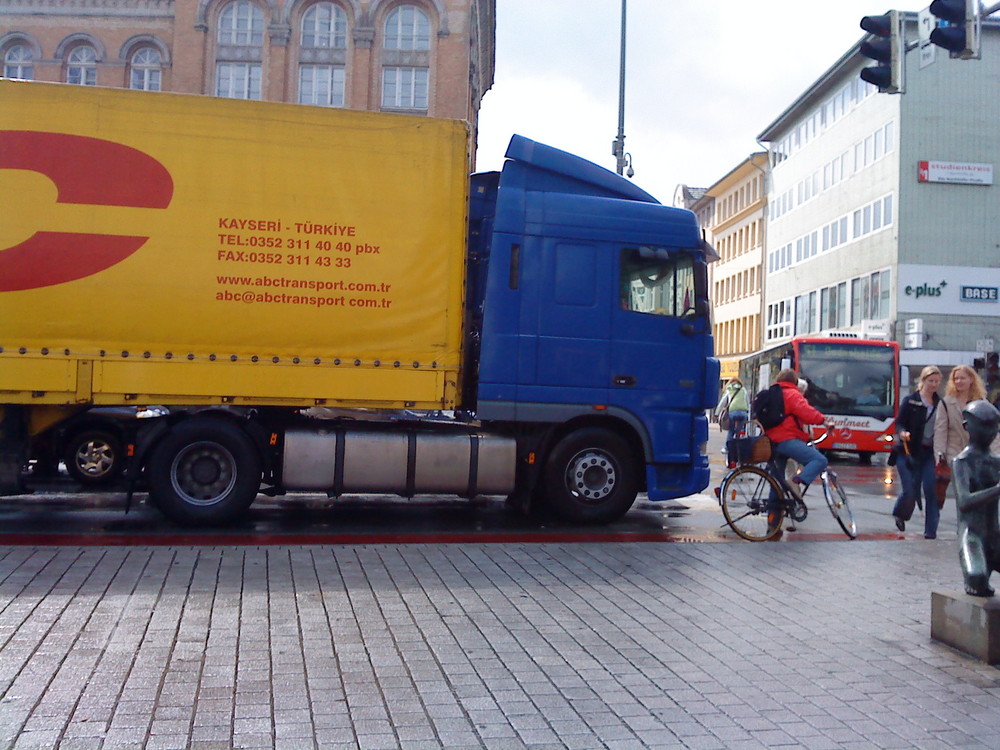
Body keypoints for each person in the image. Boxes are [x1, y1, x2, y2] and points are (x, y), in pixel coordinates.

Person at [953, 400, 1000, 597]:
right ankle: (978, 572)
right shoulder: (962, 462)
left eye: (993, 427)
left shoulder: (996, 461)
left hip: (995, 534)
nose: (989, 432)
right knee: (977, 581)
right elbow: (964, 502)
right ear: (967, 427)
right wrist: (997, 489)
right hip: (972, 535)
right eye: (983, 426)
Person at [763, 368, 833, 501]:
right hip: (786, 440)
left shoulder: (769, 394)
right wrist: (824, 421)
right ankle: (794, 482)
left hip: (769, 442)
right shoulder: (791, 394)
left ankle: (773, 517)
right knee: (819, 460)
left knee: (776, 482)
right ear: (794, 382)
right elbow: (806, 412)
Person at [892, 365, 942, 538]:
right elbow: (899, 423)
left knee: (931, 490)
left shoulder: (940, 404)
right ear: (923, 381)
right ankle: (900, 513)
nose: (933, 385)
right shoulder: (911, 400)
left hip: (928, 453)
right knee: (910, 490)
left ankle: (931, 532)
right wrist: (902, 433)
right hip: (907, 452)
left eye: (936, 381)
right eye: (930, 381)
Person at [715, 377, 749, 444]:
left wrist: (716, 413)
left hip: (733, 412)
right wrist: (747, 412)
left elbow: (722, 403)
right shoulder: (743, 389)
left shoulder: (729, 389)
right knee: (741, 430)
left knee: (731, 430)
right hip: (743, 413)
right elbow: (747, 402)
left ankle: (727, 447)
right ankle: (740, 445)